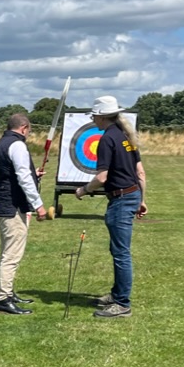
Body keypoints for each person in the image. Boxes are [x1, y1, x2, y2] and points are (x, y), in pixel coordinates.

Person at [74, 96, 147, 319]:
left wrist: (84, 190)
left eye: (94, 115)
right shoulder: (125, 136)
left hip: (121, 199)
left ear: (100, 116)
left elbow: (102, 177)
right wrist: (142, 200)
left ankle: (122, 304)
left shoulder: (107, 139)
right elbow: (140, 172)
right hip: (131, 195)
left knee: (121, 253)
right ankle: (116, 295)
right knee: (118, 251)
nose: (93, 119)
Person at [0, 112, 48, 315]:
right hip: (11, 206)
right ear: (24, 128)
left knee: (9, 251)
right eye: (28, 131)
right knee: (11, 255)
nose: (28, 135)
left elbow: (11, 173)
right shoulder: (18, 145)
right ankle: (4, 299)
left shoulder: (0, 144)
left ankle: (9, 292)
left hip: (2, 203)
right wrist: (39, 205)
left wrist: (35, 174)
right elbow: (22, 177)